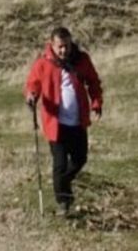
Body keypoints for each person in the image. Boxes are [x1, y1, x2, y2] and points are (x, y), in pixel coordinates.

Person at [24, 27, 103, 217]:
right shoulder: (43, 63)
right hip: (55, 124)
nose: (63, 50)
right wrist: (32, 96)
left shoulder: (81, 60)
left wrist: (96, 103)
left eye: (66, 46)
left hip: (77, 122)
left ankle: (63, 185)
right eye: (60, 47)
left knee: (79, 159)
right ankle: (63, 203)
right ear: (52, 44)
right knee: (59, 165)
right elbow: (33, 83)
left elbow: (93, 82)